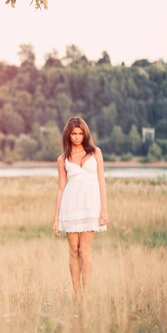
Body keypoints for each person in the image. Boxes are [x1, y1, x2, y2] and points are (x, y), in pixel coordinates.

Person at [52, 116, 108, 300]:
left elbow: (101, 181)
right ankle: (77, 295)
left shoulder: (95, 153)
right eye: (73, 134)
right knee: (73, 250)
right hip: (71, 207)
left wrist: (104, 210)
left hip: (91, 206)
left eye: (80, 133)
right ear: (68, 135)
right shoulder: (63, 159)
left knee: (84, 250)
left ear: (85, 134)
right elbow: (61, 188)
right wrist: (56, 219)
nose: (77, 137)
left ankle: (87, 292)